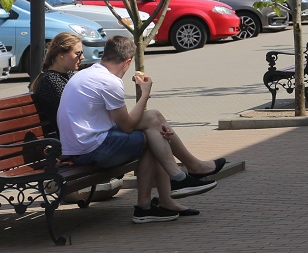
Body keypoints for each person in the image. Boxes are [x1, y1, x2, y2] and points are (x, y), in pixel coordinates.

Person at [56, 37, 224, 223]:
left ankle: (178, 183)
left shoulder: (91, 73)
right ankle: (175, 181)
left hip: (82, 145)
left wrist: (157, 127)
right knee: (152, 136)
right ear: (128, 61)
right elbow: (127, 125)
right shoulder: (108, 81)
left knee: (154, 119)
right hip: (91, 150)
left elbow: (119, 122)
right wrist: (145, 93)